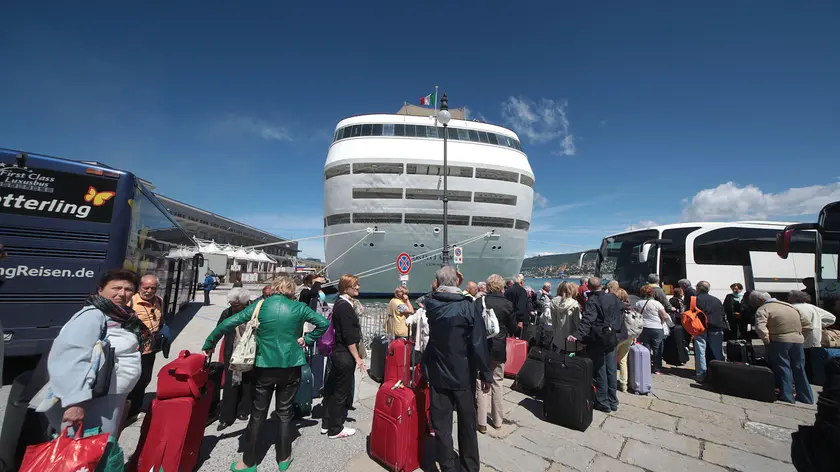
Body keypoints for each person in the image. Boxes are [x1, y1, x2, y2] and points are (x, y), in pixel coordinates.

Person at [202, 276, 329, 472]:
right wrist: (308, 338)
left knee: (258, 412)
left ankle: (249, 461)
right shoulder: (299, 308)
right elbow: (323, 323)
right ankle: (284, 457)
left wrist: (210, 343)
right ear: (291, 290)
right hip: (291, 365)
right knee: (285, 412)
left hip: (264, 366)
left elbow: (229, 322)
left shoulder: (260, 306)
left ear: (276, 288)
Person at [37, 269, 149, 437]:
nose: (122, 293)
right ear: (100, 290)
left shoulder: (120, 316)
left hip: (108, 396)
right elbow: (72, 357)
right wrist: (76, 402)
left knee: (100, 447)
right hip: (91, 398)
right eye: (116, 288)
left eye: (128, 289)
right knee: (87, 452)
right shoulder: (93, 315)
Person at [424, 266, 492, 472]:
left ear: (437, 283)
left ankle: (447, 466)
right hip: (463, 374)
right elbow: (478, 343)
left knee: (442, 425)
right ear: (457, 283)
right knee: (467, 423)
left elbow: (432, 292)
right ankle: (469, 466)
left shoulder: (431, 304)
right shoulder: (469, 306)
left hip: (438, 372)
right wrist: (486, 373)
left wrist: (450, 284)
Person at [321, 274, 367, 439]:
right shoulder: (346, 307)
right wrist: (357, 358)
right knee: (341, 391)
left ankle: (327, 423)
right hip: (344, 354)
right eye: (356, 285)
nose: (358, 287)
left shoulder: (340, 304)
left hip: (337, 353)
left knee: (332, 389)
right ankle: (336, 428)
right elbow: (349, 337)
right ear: (347, 287)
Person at [568, 277, 623, 413]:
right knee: (611, 369)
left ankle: (603, 402)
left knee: (600, 370)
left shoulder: (592, 301)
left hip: (599, 338)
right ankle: (613, 400)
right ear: (601, 285)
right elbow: (620, 311)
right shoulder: (612, 297)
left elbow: (587, 320)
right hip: (613, 336)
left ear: (589, 287)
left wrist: (577, 335)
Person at [751, 290, 814, 404]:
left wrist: (767, 340)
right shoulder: (791, 307)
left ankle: (787, 395)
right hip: (798, 340)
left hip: (779, 341)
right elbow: (808, 325)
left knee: (783, 368)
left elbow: (760, 328)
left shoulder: (764, 309)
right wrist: (801, 337)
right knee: (799, 368)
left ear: (760, 300)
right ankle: (806, 397)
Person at [476, 274, 517, 434]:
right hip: (499, 347)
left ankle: (481, 423)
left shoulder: (480, 302)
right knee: (498, 382)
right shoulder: (507, 304)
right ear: (502, 287)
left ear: (487, 286)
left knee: (481, 383)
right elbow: (513, 329)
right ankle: (498, 420)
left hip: (482, 347)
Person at [213, 288, 255, 430]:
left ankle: (244, 410)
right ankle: (226, 416)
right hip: (232, 350)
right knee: (231, 381)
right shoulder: (227, 312)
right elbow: (219, 329)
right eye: (231, 304)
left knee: (247, 380)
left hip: (250, 350)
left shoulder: (254, 310)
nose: (233, 307)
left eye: (236, 304)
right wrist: (211, 344)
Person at [126, 274, 165, 421]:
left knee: (144, 379)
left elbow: (161, 320)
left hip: (150, 349)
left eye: (153, 288)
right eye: (146, 287)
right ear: (139, 287)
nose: (149, 291)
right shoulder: (130, 302)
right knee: (130, 380)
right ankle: (125, 410)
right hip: (132, 349)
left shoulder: (159, 301)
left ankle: (134, 409)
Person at [788, 290, 836, 383]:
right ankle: (815, 379)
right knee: (814, 361)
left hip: (798, 337)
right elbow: (831, 318)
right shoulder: (812, 307)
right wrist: (818, 324)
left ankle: (803, 379)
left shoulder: (791, 308)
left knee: (800, 360)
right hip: (814, 337)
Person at [692, 281, 726, 381]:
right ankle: (722, 373)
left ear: (698, 288)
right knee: (718, 352)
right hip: (716, 327)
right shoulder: (716, 300)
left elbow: (691, 315)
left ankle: (701, 374)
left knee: (700, 352)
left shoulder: (695, 300)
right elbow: (722, 314)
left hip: (701, 328)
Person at [635, 285, 670, 375]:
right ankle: (657, 368)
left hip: (644, 327)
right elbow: (665, 315)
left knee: (646, 346)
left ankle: (646, 366)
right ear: (652, 293)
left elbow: (636, 314)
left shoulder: (638, 303)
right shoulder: (657, 304)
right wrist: (663, 320)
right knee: (657, 348)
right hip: (656, 327)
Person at [613, 288, 636, 392]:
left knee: (612, 359)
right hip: (629, 335)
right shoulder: (629, 307)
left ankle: (612, 381)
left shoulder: (616, 307)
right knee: (623, 361)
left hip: (618, 335)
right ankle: (623, 384)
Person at [550, 282, 583, 353]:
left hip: (558, 335)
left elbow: (553, 319)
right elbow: (578, 322)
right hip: (571, 336)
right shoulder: (574, 303)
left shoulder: (553, 302)